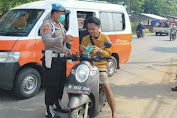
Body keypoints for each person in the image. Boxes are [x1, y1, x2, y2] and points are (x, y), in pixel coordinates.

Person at [80, 17, 117, 118]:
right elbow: (83, 54)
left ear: (99, 27)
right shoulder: (85, 39)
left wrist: (100, 51)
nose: (91, 31)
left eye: (93, 29)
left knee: (106, 87)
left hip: (100, 66)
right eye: (89, 29)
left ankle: (114, 113)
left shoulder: (105, 38)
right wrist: (82, 50)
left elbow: (109, 53)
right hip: (88, 65)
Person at [40, 3, 73, 118]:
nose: (63, 16)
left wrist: (68, 49)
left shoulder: (60, 25)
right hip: (52, 60)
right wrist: (62, 38)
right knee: (51, 85)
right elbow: (47, 41)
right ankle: (48, 110)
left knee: (60, 83)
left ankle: (57, 104)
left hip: (62, 59)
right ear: (55, 13)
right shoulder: (47, 25)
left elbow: (62, 42)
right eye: (62, 14)